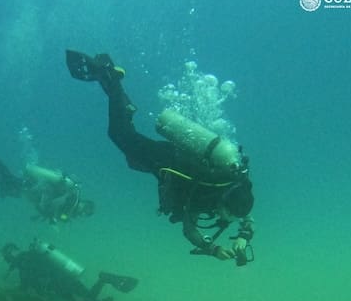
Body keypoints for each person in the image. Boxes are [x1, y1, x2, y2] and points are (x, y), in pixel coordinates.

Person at [66, 50, 255, 264]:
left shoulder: (238, 185)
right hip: (166, 159)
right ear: (222, 202)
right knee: (120, 135)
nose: (226, 219)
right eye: (227, 214)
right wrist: (212, 249)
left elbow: (246, 215)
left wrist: (243, 236)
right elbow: (189, 229)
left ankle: (116, 91)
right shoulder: (205, 194)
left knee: (129, 150)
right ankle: (111, 79)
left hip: (170, 163)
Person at [0, 240, 138, 301]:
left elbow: (25, 287)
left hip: (59, 283)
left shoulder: (23, 263)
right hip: (65, 275)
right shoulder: (33, 254)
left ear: (10, 255)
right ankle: (104, 283)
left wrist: (7, 293)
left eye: (7, 258)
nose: (8, 261)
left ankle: (103, 281)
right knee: (88, 297)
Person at [0, 148, 95, 223]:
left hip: (32, 191)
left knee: (7, 186)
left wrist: (50, 217)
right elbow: (51, 201)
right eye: (85, 210)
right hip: (33, 188)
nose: (82, 214)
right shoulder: (71, 199)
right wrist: (50, 214)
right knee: (8, 184)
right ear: (84, 203)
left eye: (86, 215)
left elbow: (51, 208)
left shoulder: (70, 204)